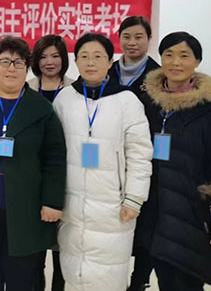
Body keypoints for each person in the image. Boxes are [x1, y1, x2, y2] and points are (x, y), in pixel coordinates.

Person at [129, 32, 211, 291]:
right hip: (151, 213)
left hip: (191, 215)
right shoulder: (145, 102)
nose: (175, 62)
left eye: (184, 56)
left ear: (197, 61)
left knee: (184, 282)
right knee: (149, 275)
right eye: (169, 55)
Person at [0, 36, 66, 291]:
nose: (11, 68)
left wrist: (52, 201)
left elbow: (54, 158)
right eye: (5, 62)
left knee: (22, 277)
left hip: (26, 208)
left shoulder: (41, 108)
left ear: (27, 68)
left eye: (19, 63)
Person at [53, 33, 153, 291]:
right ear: (76, 61)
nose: (91, 62)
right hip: (72, 202)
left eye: (98, 56)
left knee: (109, 274)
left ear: (110, 62)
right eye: (84, 56)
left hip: (114, 206)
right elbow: (52, 152)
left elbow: (140, 153)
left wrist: (134, 198)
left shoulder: (127, 100)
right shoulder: (64, 98)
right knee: (74, 271)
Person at [28, 34, 73, 291]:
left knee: (62, 249)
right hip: (32, 175)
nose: (49, 61)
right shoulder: (25, 88)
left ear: (63, 59)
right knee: (34, 251)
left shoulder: (75, 90)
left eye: (55, 56)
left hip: (64, 173)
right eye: (43, 56)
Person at [108, 16, 160, 97]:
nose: (132, 43)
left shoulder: (159, 75)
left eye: (138, 37)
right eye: (126, 37)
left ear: (149, 39)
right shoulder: (106, 72)